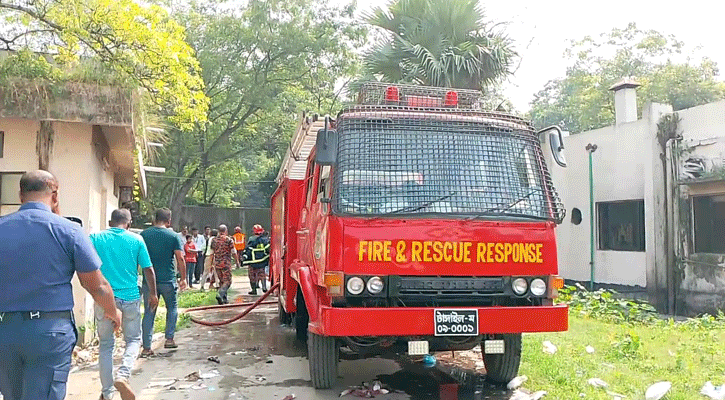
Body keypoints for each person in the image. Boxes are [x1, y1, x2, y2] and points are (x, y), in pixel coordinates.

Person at [0, 170, 120, 400]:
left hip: (5, 332)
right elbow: (97, 286)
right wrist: (112, 311)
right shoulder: (68, 230)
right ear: (55, 196)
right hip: (49, 332)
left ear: (20, 195)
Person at [90, 209, 158, 400]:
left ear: (110, 221)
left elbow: (88, 266)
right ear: (128, 223)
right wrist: (153, 293)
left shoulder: (95, 237)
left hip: (104, 299)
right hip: (129, 297)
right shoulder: (136, 240)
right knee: (134, 340)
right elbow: (148, 269)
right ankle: (123, 375)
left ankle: (107, 393)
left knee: (105, 345)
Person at [140, 208, 187, 356]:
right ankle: (169, 339)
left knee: (149, 312)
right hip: (168, 280)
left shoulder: (144, 235)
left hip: (149, 281)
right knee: (172, 308)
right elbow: (180, 258)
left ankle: (147, 348)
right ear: (169, 221)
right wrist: (183, 278)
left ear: (154, 219)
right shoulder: (173, 236)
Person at [211, 225, 237, 304]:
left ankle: (224, 300)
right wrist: (237, 262)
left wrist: (212, 264)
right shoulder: (228, 240)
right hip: (226, 263)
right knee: (228, 281)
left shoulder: (214, 240)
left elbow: (212, 253)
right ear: (226, 231)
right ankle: (220, 293)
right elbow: (234, 252)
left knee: (222, 281)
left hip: (217, 263)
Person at [243, 224, 271, 295]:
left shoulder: (251, 239)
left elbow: (248, 249)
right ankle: (264, 288)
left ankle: (254, 290)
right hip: (262, 261)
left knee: (252, 275)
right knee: (262, 274)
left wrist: (244, 257)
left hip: (253, 261)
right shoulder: (265, 239)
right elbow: (268, 249)